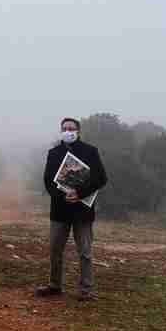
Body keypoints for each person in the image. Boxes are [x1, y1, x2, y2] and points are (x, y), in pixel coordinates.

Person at [35, 117, 109, 301]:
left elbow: (101, 178)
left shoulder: (90, 151)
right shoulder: (53, 153)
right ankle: (54, 285)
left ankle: (86, 289)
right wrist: (62, 196)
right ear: (61, 131)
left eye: (72, 128)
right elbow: (47, 180)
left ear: (78, 131)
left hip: (83, 210)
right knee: (55, 250)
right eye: (65, 128)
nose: (68, 131)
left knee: (84, 251)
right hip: (60, 210)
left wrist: (80, 193)